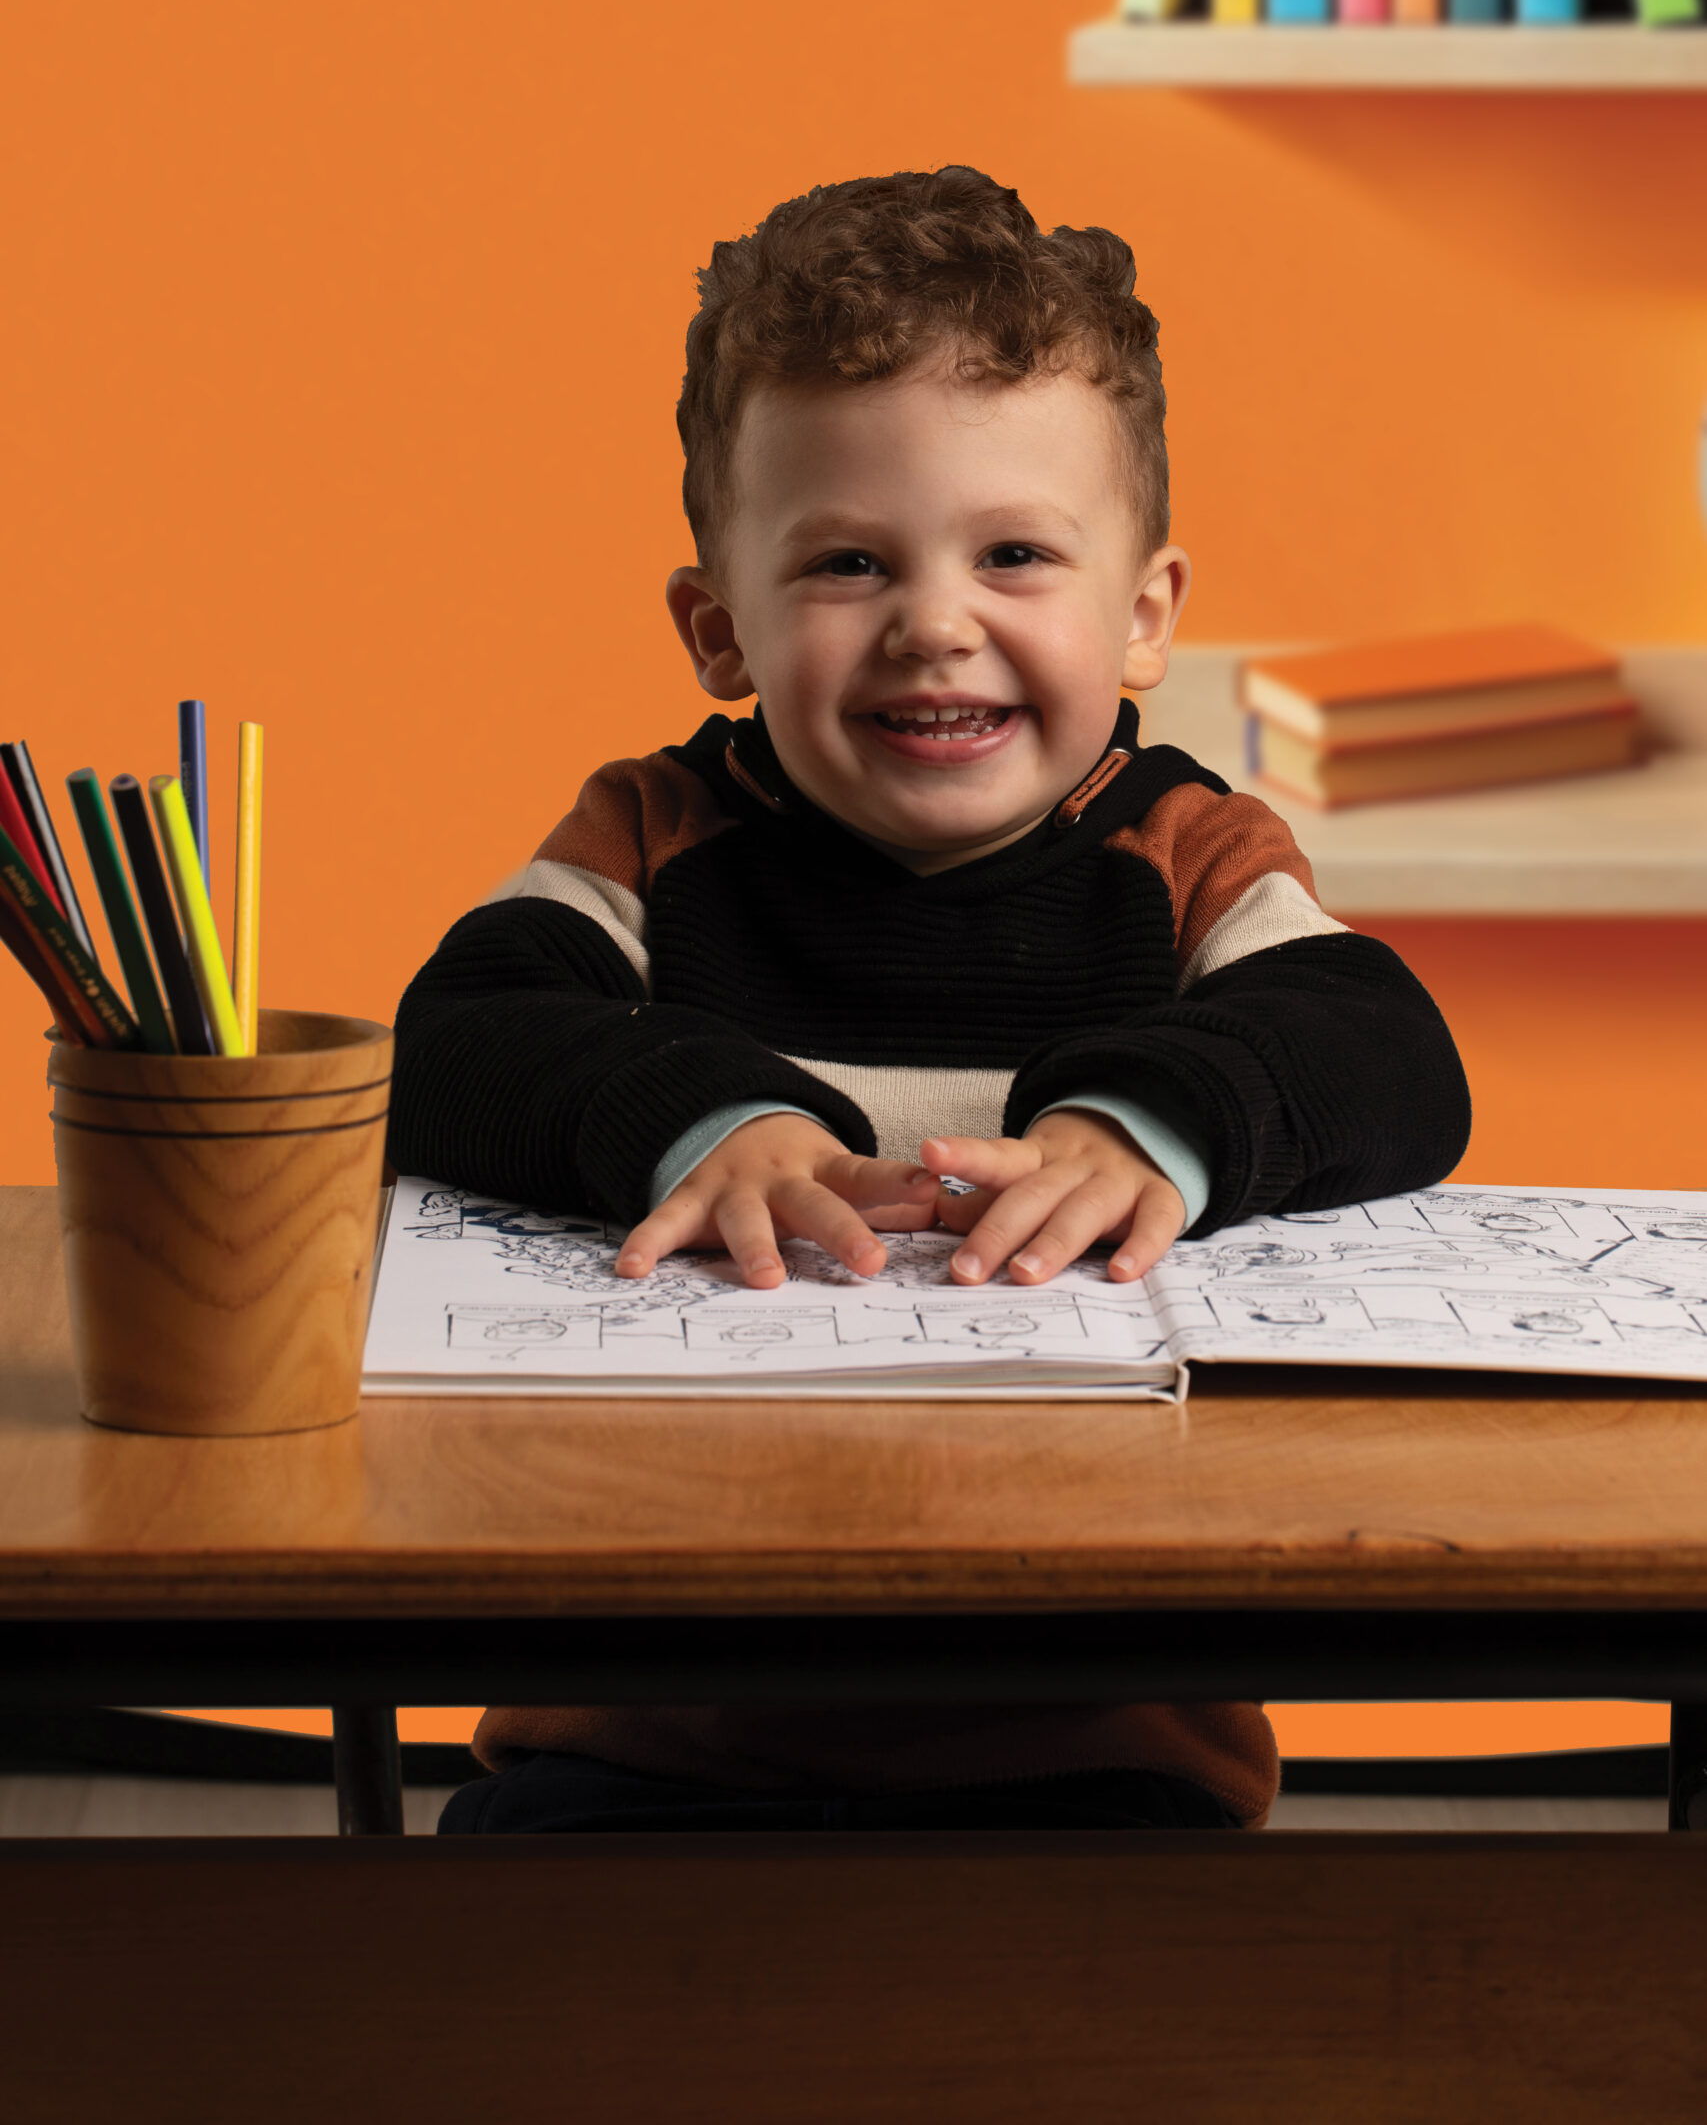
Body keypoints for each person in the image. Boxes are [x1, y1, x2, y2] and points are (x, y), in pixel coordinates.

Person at [391, 164, 1471, 1835]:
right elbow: (457, 1041)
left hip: (1099, 1743)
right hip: (645, 1734)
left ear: (1144, 616)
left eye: (1016, 553)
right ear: (718, 627)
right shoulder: (654, 839)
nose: (934, 625)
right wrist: (713, 1121)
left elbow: (1386, 1051)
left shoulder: (1181, 854)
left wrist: (1143, 1123)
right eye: (845, 565)